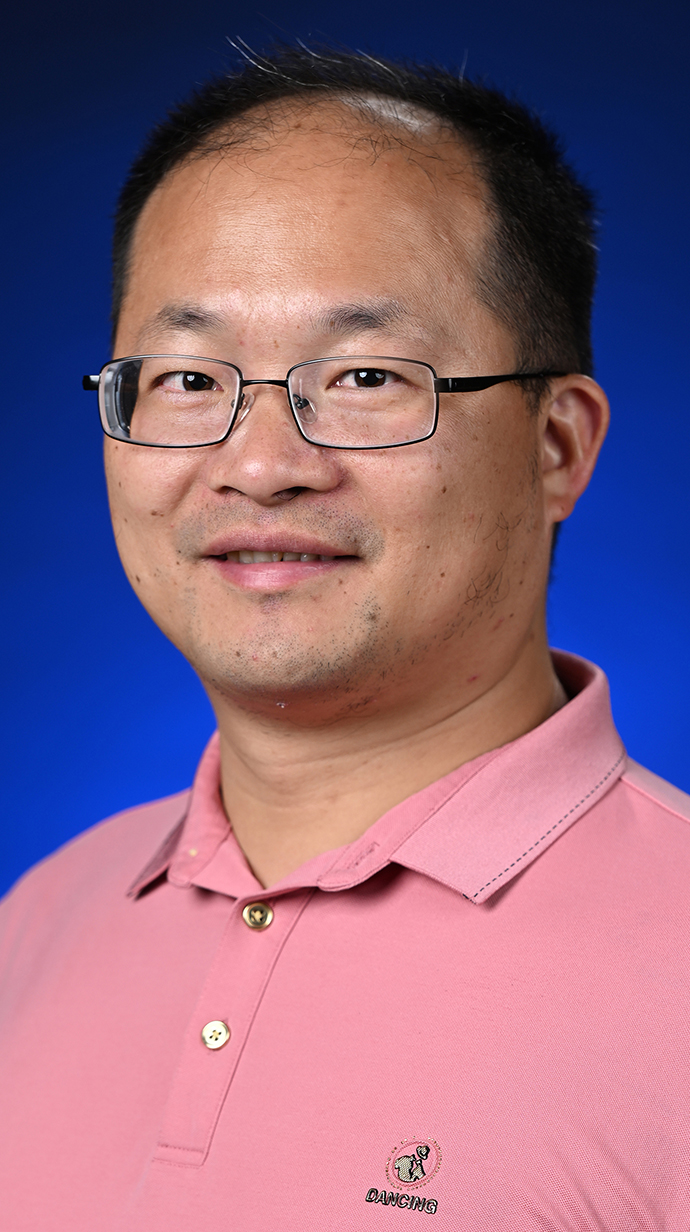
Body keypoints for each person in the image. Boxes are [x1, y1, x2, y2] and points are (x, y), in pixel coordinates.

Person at [1, 44, 689, 1231]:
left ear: (558, 445)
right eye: (185, 379)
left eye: (367, 375)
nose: (261, 464)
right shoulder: (38, 922)